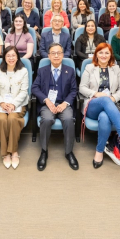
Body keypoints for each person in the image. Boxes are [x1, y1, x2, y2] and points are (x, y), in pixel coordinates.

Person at [80, 43, 120, 168]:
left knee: (104, 117)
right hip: (92, 104)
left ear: (111, 55)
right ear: (96, 54)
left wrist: (114, 98)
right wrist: (96, 94)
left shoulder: (115, 69)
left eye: (107, 53)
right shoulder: (89, 67)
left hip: (110, 106)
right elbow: (82, 88)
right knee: (104, 100)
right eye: (101, 52)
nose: (104, 55)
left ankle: (99, 151)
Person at [32, 43, 79, 171]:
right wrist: (46, 100)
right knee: (46, 119)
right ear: (49, 56)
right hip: (48, 104)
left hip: (64, 104)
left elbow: (74, 90)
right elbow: (34, 88)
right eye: (53, 53)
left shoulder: (70, 70)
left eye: (59, 53)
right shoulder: (42, 70)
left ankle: (69, 152)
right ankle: (44, 151)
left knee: (69, 119)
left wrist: (65, 103)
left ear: (63, 55)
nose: (56, 56)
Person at [0, 46, 29, 169]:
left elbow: (24, 91)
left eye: (13, 55)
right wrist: (2, 103)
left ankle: (13, 151)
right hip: (1, 105)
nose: (11, 58)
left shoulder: (23, 71)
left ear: (17, 56)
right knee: (2, 119)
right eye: (8, 56)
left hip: (18, 105)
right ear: (4, 57)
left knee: (12, 118)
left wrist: (13, 104)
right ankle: (5, 153)